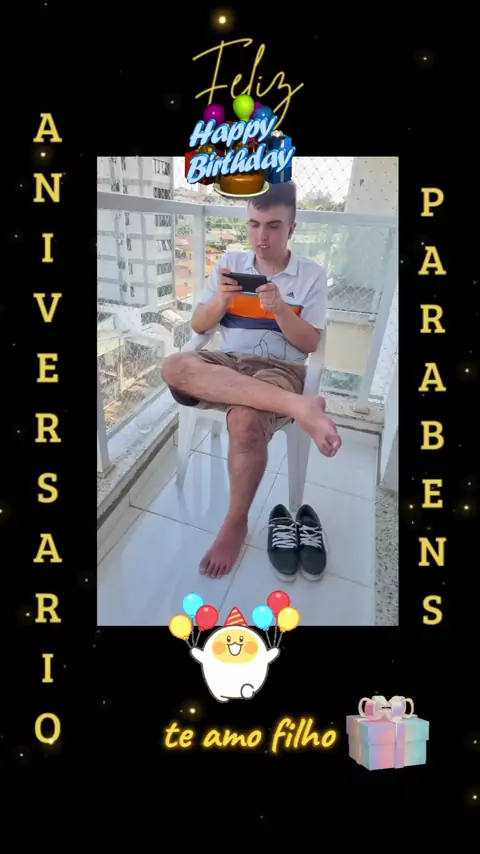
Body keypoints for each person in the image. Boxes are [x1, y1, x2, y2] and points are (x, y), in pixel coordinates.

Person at [161, 181, 341, 579]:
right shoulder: (231, 262)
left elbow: (311, 343)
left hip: (281, 369)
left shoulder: (311, 275)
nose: (262, 236)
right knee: (174, 366)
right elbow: (199, 326)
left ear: (291, 228)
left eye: (274, 226)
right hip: (228, 363)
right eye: (254, 224)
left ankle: (235, 522)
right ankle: (300, 408)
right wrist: (222, 300)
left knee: (244, 419)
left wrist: (281, 311)